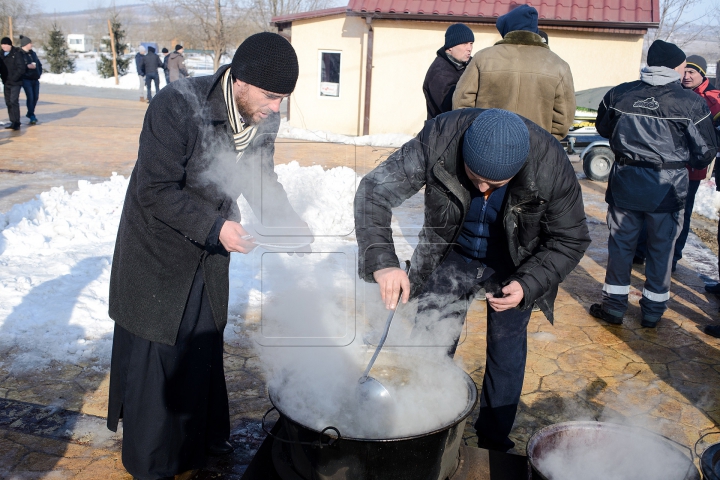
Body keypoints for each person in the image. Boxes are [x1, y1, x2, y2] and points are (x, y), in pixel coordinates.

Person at [107, 32, 311, 479]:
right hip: (156, 251)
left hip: (208, 252)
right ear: (240, 80)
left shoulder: (262, 117)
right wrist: (216, 227)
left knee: (200, 345)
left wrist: (285, 221)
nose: (277, 107)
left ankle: (198, 446)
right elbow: (154, 191)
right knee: (160, 353)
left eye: (284, 99)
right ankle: (154, 462)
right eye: (271, 95)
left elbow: (260, 176)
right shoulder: (177, 104)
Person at [355, 108, 591, 452]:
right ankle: (425, 423)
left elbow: (571, 238)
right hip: (450, 250)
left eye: (495, 185)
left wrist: (529, 283)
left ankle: (493, 440)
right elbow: (374, 192)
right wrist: (384, 264)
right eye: (474, 177)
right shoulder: (440, 138)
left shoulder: (549, 162)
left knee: (507, 347)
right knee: (429, 338)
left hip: (516, 260)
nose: (482, 190)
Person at [589, 40, 717, 328]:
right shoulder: (691, 102)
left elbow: (603, 127)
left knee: (621, 246)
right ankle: (652, 311)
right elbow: (705, 152)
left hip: (625, 184)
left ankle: (613, 307)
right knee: (661, 249)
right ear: (674, 66)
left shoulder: (619, 94)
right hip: (666, 188)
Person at [635, 55, 720, 272]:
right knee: (651, 207)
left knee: (682, 213)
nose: (687, 76)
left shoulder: (712, 99)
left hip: (691, 169)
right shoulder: (674, 91)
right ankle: (642, 250)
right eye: (686, 71)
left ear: (703, 75)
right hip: (666, 165)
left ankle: (673, 256)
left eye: (693, 72)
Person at [452, 5, 576, 140]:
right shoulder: (559, 66)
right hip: (535, 149)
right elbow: (564, 119)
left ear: (507, 29)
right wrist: (545, 142)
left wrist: (475, 136)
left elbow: (461, 103)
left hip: (487, 147)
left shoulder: (482, 58)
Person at [422, 23, 474, 120]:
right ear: (450, 46)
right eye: (464, 43)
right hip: (444, 132)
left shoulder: (470, 64)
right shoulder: (440, 71)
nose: (469, 48)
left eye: (471, 43)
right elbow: (451, 105)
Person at [1, 37, 26, 130]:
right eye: (2, 44)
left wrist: (14, 78)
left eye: (6, 44)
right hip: (6, 82)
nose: (4, 46)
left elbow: (21, 68)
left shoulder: (16, 54)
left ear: (10, 45)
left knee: (13, 101)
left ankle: (17, 122)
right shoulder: (1, 54)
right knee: (8, 102)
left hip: (16, 82)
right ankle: (12, 121)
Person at [19, 35, 41, 125]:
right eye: (30, 43)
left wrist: (39, 73)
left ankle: (30, 112)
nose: (31, 45)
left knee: (35, 97)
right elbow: (18, 65)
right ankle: (31, 115)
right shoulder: (20, 54)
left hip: (35, 79)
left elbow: (39, 64)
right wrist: (26, 66)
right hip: (26, 79)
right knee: (30, 97)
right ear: (25, 44)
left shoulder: (33, 53)